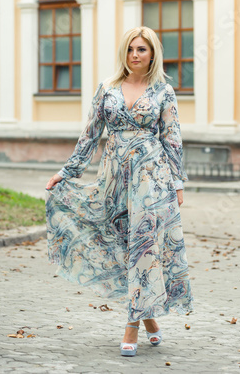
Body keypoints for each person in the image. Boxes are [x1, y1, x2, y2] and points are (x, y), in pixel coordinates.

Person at [45, 26, 194, 357]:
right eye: (130, 49)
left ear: (152, 53)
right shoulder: (107, 89)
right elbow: (89, 136)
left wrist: (178, 181)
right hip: (113, 178)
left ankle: (132, 324)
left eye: (141, 49)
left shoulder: (164, 92)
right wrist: (65, 172)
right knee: (118, 245)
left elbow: (172, 138)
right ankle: (149, 317)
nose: (135, 55)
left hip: (151, 178)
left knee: (144, 248)